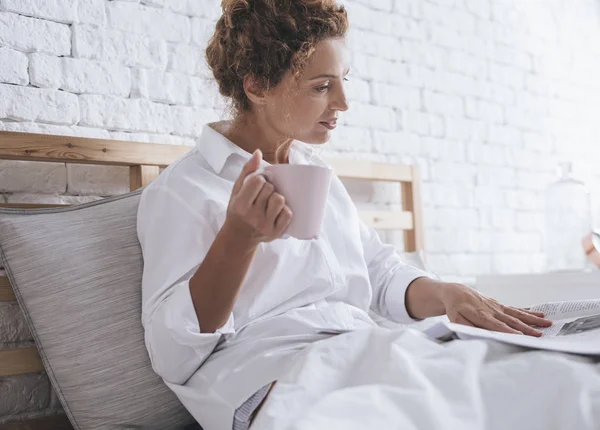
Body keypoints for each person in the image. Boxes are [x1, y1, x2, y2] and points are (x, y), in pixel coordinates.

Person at [136, 1, 552, 429]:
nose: (344, 103)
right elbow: (172, 354)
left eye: (343, 82)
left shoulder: (317, 176)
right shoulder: (183, 191)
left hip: (368, 352)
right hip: (276, 377)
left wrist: (445, 293)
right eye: (321, 87)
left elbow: (378, 271)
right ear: (257, 86)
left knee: (540, 385)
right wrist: (238, 239)